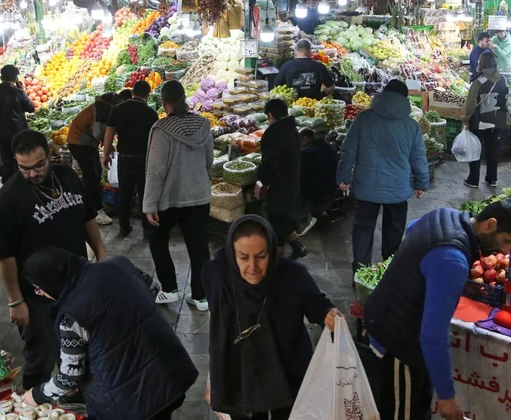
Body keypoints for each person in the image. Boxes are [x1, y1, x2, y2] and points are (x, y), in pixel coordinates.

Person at [364, 199, 511, 420]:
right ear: (490, 225)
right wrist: (446, 396)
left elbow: (412, 229)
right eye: (507, 241)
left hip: (383, 315)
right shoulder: (452, 260)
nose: (505, 250)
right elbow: (433, 335)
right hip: (398, 344)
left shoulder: (443, 214)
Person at [20, 247, 197, 420]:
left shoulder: (71, 317)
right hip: (169, 373)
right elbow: (153, 289)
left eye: (38, 288)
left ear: (49, 281)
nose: (41, 293)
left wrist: (36, 395)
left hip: (128, 401)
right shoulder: (119, 264)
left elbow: (71, 375)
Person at [0, 129, 107, 391]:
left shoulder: (66, 176)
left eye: (39, 165)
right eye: (25, 168)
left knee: (83, 351)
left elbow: (87, 217)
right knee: (42, 357)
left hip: (77, 284)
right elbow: (5, 258)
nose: (33, 173)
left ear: (49, 155)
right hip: (37, 297)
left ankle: (80, 402)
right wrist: (16, 301)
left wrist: (100, 253)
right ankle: (35, 406)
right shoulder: (6, 202)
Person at [203, 215, 341, 420]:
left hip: (287, 369)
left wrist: (329, 315)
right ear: (232, 254)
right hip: (241, 369)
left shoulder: (293, 276)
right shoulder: (216, 275)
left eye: (261, 256)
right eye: (243, 257)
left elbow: (318, 307)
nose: (252, 267)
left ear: (272, 252)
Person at [336, 79, 428, 273]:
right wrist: (421, 183)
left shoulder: (364, 119)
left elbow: (348, 150)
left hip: (366, 186)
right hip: (398, 188)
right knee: (394, 232)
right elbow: (418, 157)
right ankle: (389, 273)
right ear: (405, 99)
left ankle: (360, 272)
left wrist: (343, 177)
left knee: (363, 228)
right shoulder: (411, 126)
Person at [144, 81, 213, 311]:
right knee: (199, 247)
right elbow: (209, 161)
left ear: (165, 103)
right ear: (184, 98)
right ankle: (201, 297)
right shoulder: (203, 125)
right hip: (199, 196)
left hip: (169, 199)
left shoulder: (161, 129)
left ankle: (169, 289)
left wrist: (149, 204)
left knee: (157, 239)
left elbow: (155, 171)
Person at [102, 81, 159, 238]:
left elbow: (109, 133)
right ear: (147, 95)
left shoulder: (117, 109)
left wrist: (106, 154)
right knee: (144, 193)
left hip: (124, 158)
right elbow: (155, 140)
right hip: (143, 159)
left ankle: (124, 226)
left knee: (124, 194)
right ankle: (147, 229)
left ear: (133, 92)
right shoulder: (150, 113)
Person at [257, 99, 307, 259]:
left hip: (278, 185)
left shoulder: (275, 134)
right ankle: (297, 246)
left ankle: (279, 261)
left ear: (271, 115)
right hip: (291, 180)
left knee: (276, 219)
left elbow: (271, 163)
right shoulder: (292, 129)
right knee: (281, 217)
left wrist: (260, 175)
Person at [66, 93, 126, 225]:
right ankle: (95, 211)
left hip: (87, 144)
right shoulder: (102, 108)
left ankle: (91, 206)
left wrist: (109, 144)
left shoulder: (102, 106)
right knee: (92, 176)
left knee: (95, 174)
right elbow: (98, 133)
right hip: (79, 143)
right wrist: (111, 137)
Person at [463, 52, 508, 188]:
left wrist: (466, 119)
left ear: (481, 64)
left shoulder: (479, 81)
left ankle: (473, 179)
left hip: (480, 121)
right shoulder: (503, 80)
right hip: (498, 120)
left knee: (475, 148)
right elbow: (506, 100)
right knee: (493, 150)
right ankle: (491, 178)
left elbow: (471, 103)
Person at [0, 65, 34, 182]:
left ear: (1, 77)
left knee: (7, 161)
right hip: (19, 132)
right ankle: (22, 182)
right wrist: (23, 90)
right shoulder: (18, 92)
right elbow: (31, 108)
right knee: (21, 159)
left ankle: (9, 185)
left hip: (1, 133)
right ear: (15, 78)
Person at [295, 127, 339, 236]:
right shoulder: (329, 147)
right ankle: (318, 213)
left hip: (316, 197)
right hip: (332, 192)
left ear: (305, 139)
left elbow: (300, 177)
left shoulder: (307, 153)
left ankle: (309, 216)